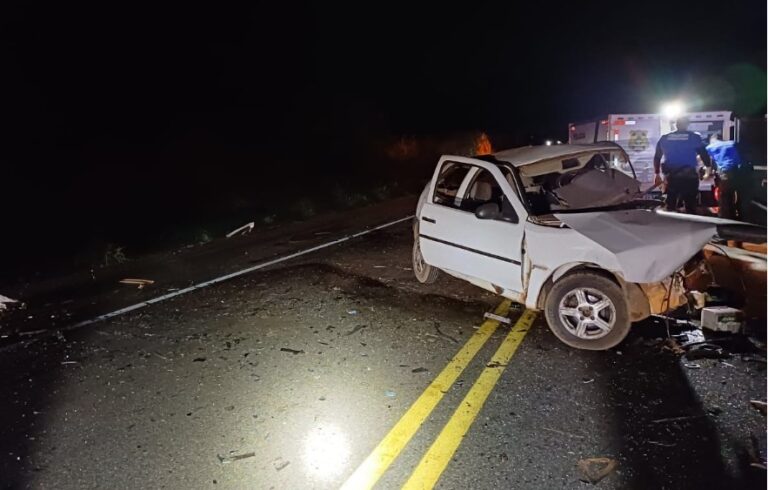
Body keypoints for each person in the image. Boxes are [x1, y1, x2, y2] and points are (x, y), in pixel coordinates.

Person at [653, 116, 713, 213]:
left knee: (671, 205)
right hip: (689, 176)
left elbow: (657, 157)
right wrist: (708, 169)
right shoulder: (694, 137)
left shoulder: (665, 138)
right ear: (687, 125)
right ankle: (689, 224)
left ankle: (671, 225)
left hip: (671, 177)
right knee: (690, 205)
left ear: (676, 124)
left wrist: (656, 174)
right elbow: (703, 154)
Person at [706, 133, 743, 219]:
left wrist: (709, 173)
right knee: (738, 194)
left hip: (725, 172)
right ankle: (740, 215)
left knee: (724, 195)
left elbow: (711, 163)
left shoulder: (710, 147)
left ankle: (725, 218)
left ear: (712, 140)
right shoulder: (732, 143)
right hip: (739, 171)